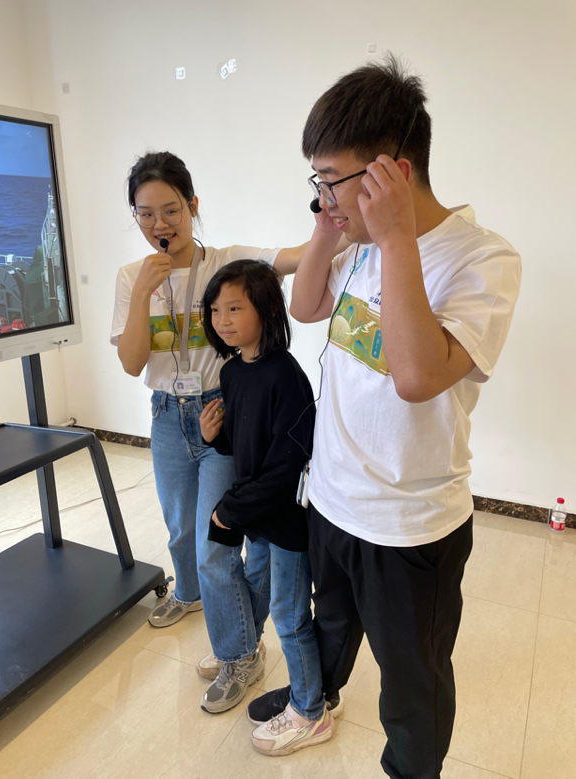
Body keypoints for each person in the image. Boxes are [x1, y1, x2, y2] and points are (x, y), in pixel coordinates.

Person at [248, 56, 522, 778]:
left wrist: (397, 238)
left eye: (331, 181)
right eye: (316, 182)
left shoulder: (482, 259)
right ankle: (315, 701)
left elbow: (417, 376)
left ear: (392, 174)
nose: (323, 198)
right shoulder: (356, 243)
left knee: (412, 680)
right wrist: (329, 227)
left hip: (409, 525)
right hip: (332, 498)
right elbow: (307, 306)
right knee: (331, 624)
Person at [110, 152, 328, 682]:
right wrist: (141, 293)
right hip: (167, 414)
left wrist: (340, 222)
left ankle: (238, 651)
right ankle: (189, 595)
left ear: (193, 205)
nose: (160, 224)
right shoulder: (131, 276)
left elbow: (296, 257)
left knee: (216, 541)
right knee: (180, 529)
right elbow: (132, 362)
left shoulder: (225, 263)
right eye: (145, 214)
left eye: (171, 210)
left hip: (220, 408)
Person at [198, 260, 333, 754]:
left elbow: (287, 464)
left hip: (286, 520)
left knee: (289, 614)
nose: (223, 320)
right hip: (258, 517)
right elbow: (244, 446)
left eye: (235, 308)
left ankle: (311, 710)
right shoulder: (233, 372)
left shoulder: (287, 377)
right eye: (215, 310)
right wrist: (214, 438)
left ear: (269, 310)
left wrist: (230, 509)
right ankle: (246, 653)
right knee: (258, 584)